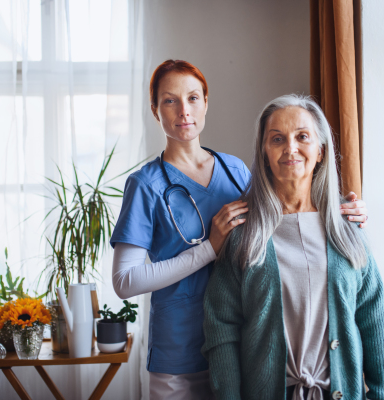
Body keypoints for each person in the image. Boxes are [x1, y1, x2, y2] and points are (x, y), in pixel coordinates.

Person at [110, 61, 369, 399]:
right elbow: (125, 282)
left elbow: (292, 211)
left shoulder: (234, 170)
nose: (183, 110)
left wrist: (344, 211)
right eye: (170, 100)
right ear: (155, 109)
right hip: (180, 356)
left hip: (245, 347)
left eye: (192, 98)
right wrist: (209, 249)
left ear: (206, 102)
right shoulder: (145, 185)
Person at [202, 94, 384, 400]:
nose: (290, 148)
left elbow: (378, 329)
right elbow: (221, 331)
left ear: (320, 151)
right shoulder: (243, 235)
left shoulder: (348, 232)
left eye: (302, 137)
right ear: (264, 152)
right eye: (277, 139)